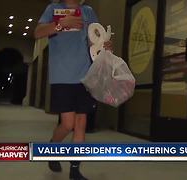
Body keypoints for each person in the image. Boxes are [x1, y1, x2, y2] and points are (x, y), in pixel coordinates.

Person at [34, 0, 112, 179]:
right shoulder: (53, 9)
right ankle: (52, 147)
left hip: (85, 76)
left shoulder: (88, 11)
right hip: (61, 75)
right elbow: (37, 33)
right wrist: (60, 25)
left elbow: (95, 39)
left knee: (80, 124)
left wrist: (104, 46)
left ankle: (75, 169)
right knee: (67, 124)